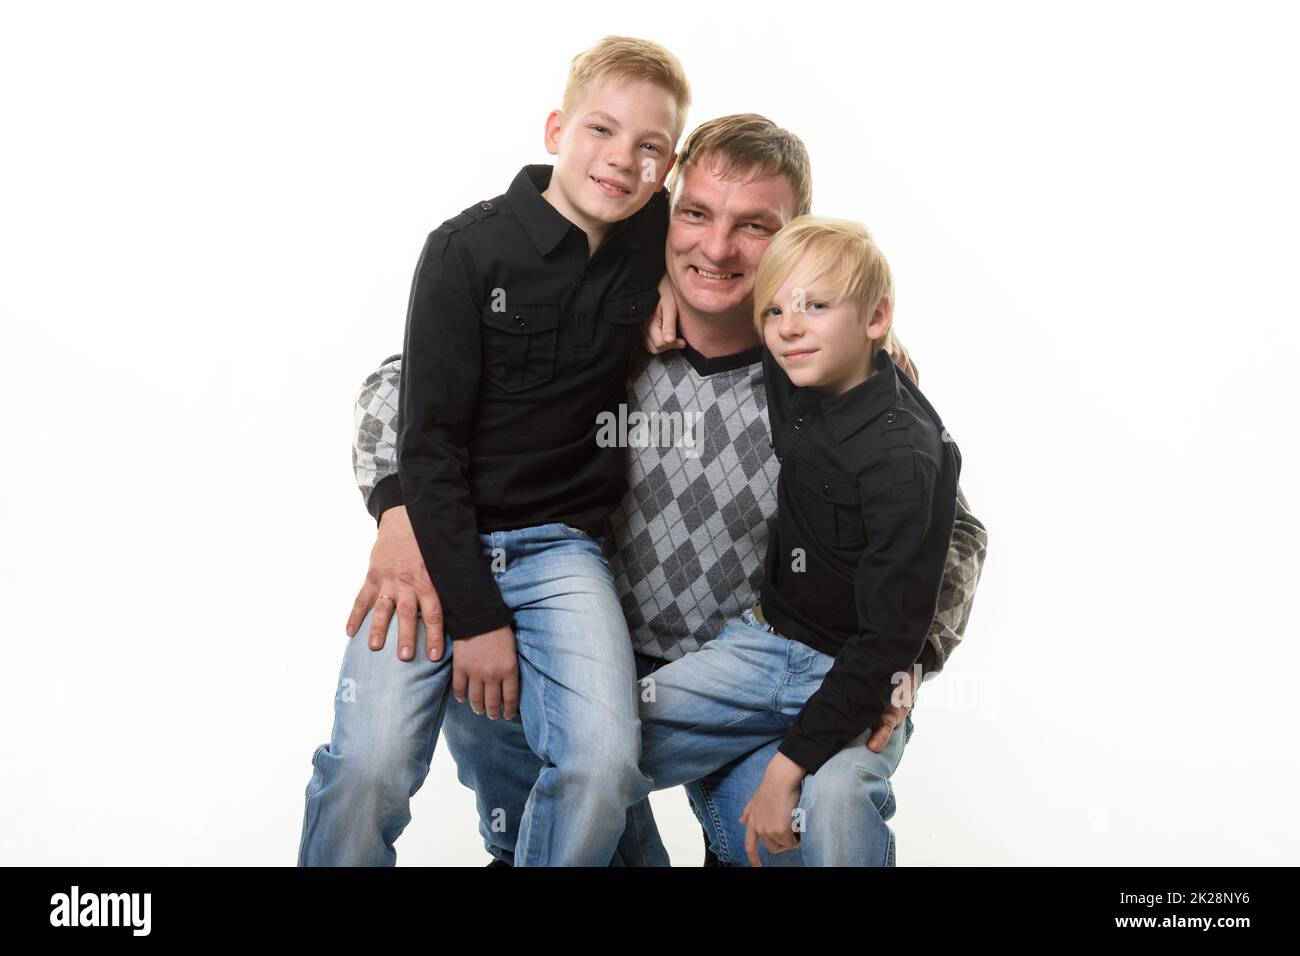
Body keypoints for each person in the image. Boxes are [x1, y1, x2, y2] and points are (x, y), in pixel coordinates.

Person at [347, 115, 988, 866]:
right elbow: (397, 389)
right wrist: (398, 514)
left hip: (747, 667)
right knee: (513, 716)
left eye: (755, 226)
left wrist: (901, 662)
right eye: (696, 214)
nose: (716, 249)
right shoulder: (603, 320)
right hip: (580, 657)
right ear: (664, 211)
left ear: (795, 238)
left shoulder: (823, 369)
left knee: (790, 839)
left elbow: (954, 536)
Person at [297, 35, 692, 866]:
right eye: (600, 130)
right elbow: (426, 437)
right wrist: (475, 616)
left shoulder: (658, 235)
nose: (621, 160)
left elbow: (767, 248)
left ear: (669, 168)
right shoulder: (464, 251)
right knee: (366, 768)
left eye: (649, 147)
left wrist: (872, 320)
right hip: (441, 543)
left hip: (564, 553)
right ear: (556, 129)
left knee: (600, 763)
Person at [636, 216, 957, 865]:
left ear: (876, 318)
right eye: (776, 309)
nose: (787, 325)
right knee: (591, 747)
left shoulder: (903, 455)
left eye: (813, 307)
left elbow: (887, 639)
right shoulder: (801, 364)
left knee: (834, 801)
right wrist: (659, 280)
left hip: (857, 678)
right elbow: (719, 266)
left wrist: (787, 772)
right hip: (762, 648)